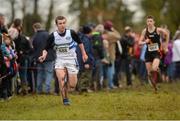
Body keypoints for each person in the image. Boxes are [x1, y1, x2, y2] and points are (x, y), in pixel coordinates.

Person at [39, 16, 88, 105]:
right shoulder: (53, 36)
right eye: (60, 23)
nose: (62, 25)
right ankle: (65, 99)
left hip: (71, 60)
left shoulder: (71, 33)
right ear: (56, 25)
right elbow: (45, 48)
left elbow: (80, 43)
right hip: (60, 60)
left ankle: (66, 89)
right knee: (61, 79)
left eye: (63, 23)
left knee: (72, 85)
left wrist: (84, 54)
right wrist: (43, 56)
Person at [139, 15, 169, 92]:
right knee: (149, 73)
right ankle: (155, 88)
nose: (149, 23)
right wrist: (144, 42)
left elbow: (167, 33)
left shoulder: (158, 30)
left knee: (154, 69)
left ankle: (158, 72)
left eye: (151, 21)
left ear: (153, 22)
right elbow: (139, 42)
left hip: (156, 53)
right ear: (146, 22)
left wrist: (165, 47)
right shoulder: (144, 31)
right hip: (148, 53)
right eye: (148, 21)